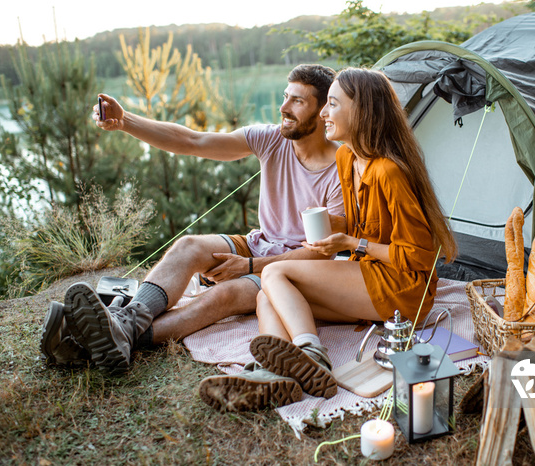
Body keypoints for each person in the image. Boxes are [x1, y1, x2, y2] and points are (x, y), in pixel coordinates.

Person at [40, 64, 345, 371]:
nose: (283, 107)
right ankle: (124, 325)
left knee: (223, 294)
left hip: (289, 271)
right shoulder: (270, 139)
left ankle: (95, 340)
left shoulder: (342, 169)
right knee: (188, 246)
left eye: (298, 101)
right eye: (285, 96)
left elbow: (321, 255)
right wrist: (125, 121)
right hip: (259, 243)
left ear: (322, 112)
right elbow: (192, 141)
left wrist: (250, 267)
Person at [198, 67, 457, 410]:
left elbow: (420, 257)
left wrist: (352, 245)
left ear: (360, 111)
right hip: (368, 277)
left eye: (332, 104)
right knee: (267, 297)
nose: (323, 114)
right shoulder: (346, 157)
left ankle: (312, 356)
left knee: (274, 273)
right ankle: (273, 374)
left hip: (403, 289)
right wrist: (328, 225)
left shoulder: (389, 171)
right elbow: (358, 223)